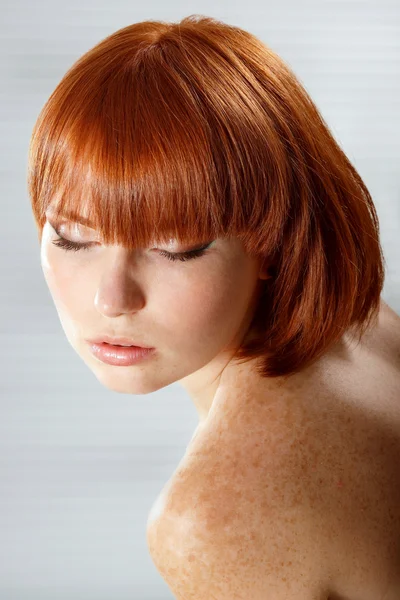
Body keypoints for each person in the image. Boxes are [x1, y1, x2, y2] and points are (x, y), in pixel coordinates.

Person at [27, 14, 400, 600]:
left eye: (175, 248)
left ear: (272, 243)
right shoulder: (368, 325)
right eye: (73, 238)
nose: (111, 298)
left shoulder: (213, 523)